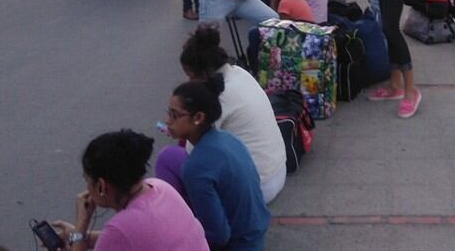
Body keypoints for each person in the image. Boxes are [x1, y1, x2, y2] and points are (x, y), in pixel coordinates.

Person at [175, 24, 288, 203]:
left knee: (170, 159)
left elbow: (193, 152)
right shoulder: (240, 73)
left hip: (257, 188)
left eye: (190, 76)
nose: (188, 82)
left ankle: (182, 211)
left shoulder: (216, 96)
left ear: (203, 73)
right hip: (277, 171)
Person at [50, 129, 209, 251]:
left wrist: (81, 226)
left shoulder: (121, 228)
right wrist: (79, 236)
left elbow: (121, 237)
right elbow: (128, 241)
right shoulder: (161, 187)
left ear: (101, 186)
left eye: (87, 180)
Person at [156, 80, 269, 250]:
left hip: (238, 244)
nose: (167, 121)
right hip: (256, 232)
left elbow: (218, 236)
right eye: (168, 113)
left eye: (174, 115)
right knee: (168, 157)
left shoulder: (196, 167)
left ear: (198, 118)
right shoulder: (226, 138)